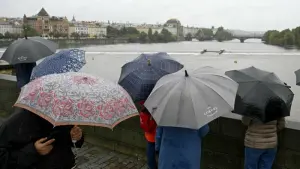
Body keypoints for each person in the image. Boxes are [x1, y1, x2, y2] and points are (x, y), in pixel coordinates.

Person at [0, 108, 84, 169]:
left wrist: (76, 137)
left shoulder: (62, 113)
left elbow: (69, 141)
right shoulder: (16, 121)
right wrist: (34, 150)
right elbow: (2, 159)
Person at [139, 101, 158, 169]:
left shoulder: (144, 109)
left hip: (149, 136)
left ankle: (152, 167)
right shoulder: (156, 107)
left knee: (150, 155)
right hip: (157, 135)